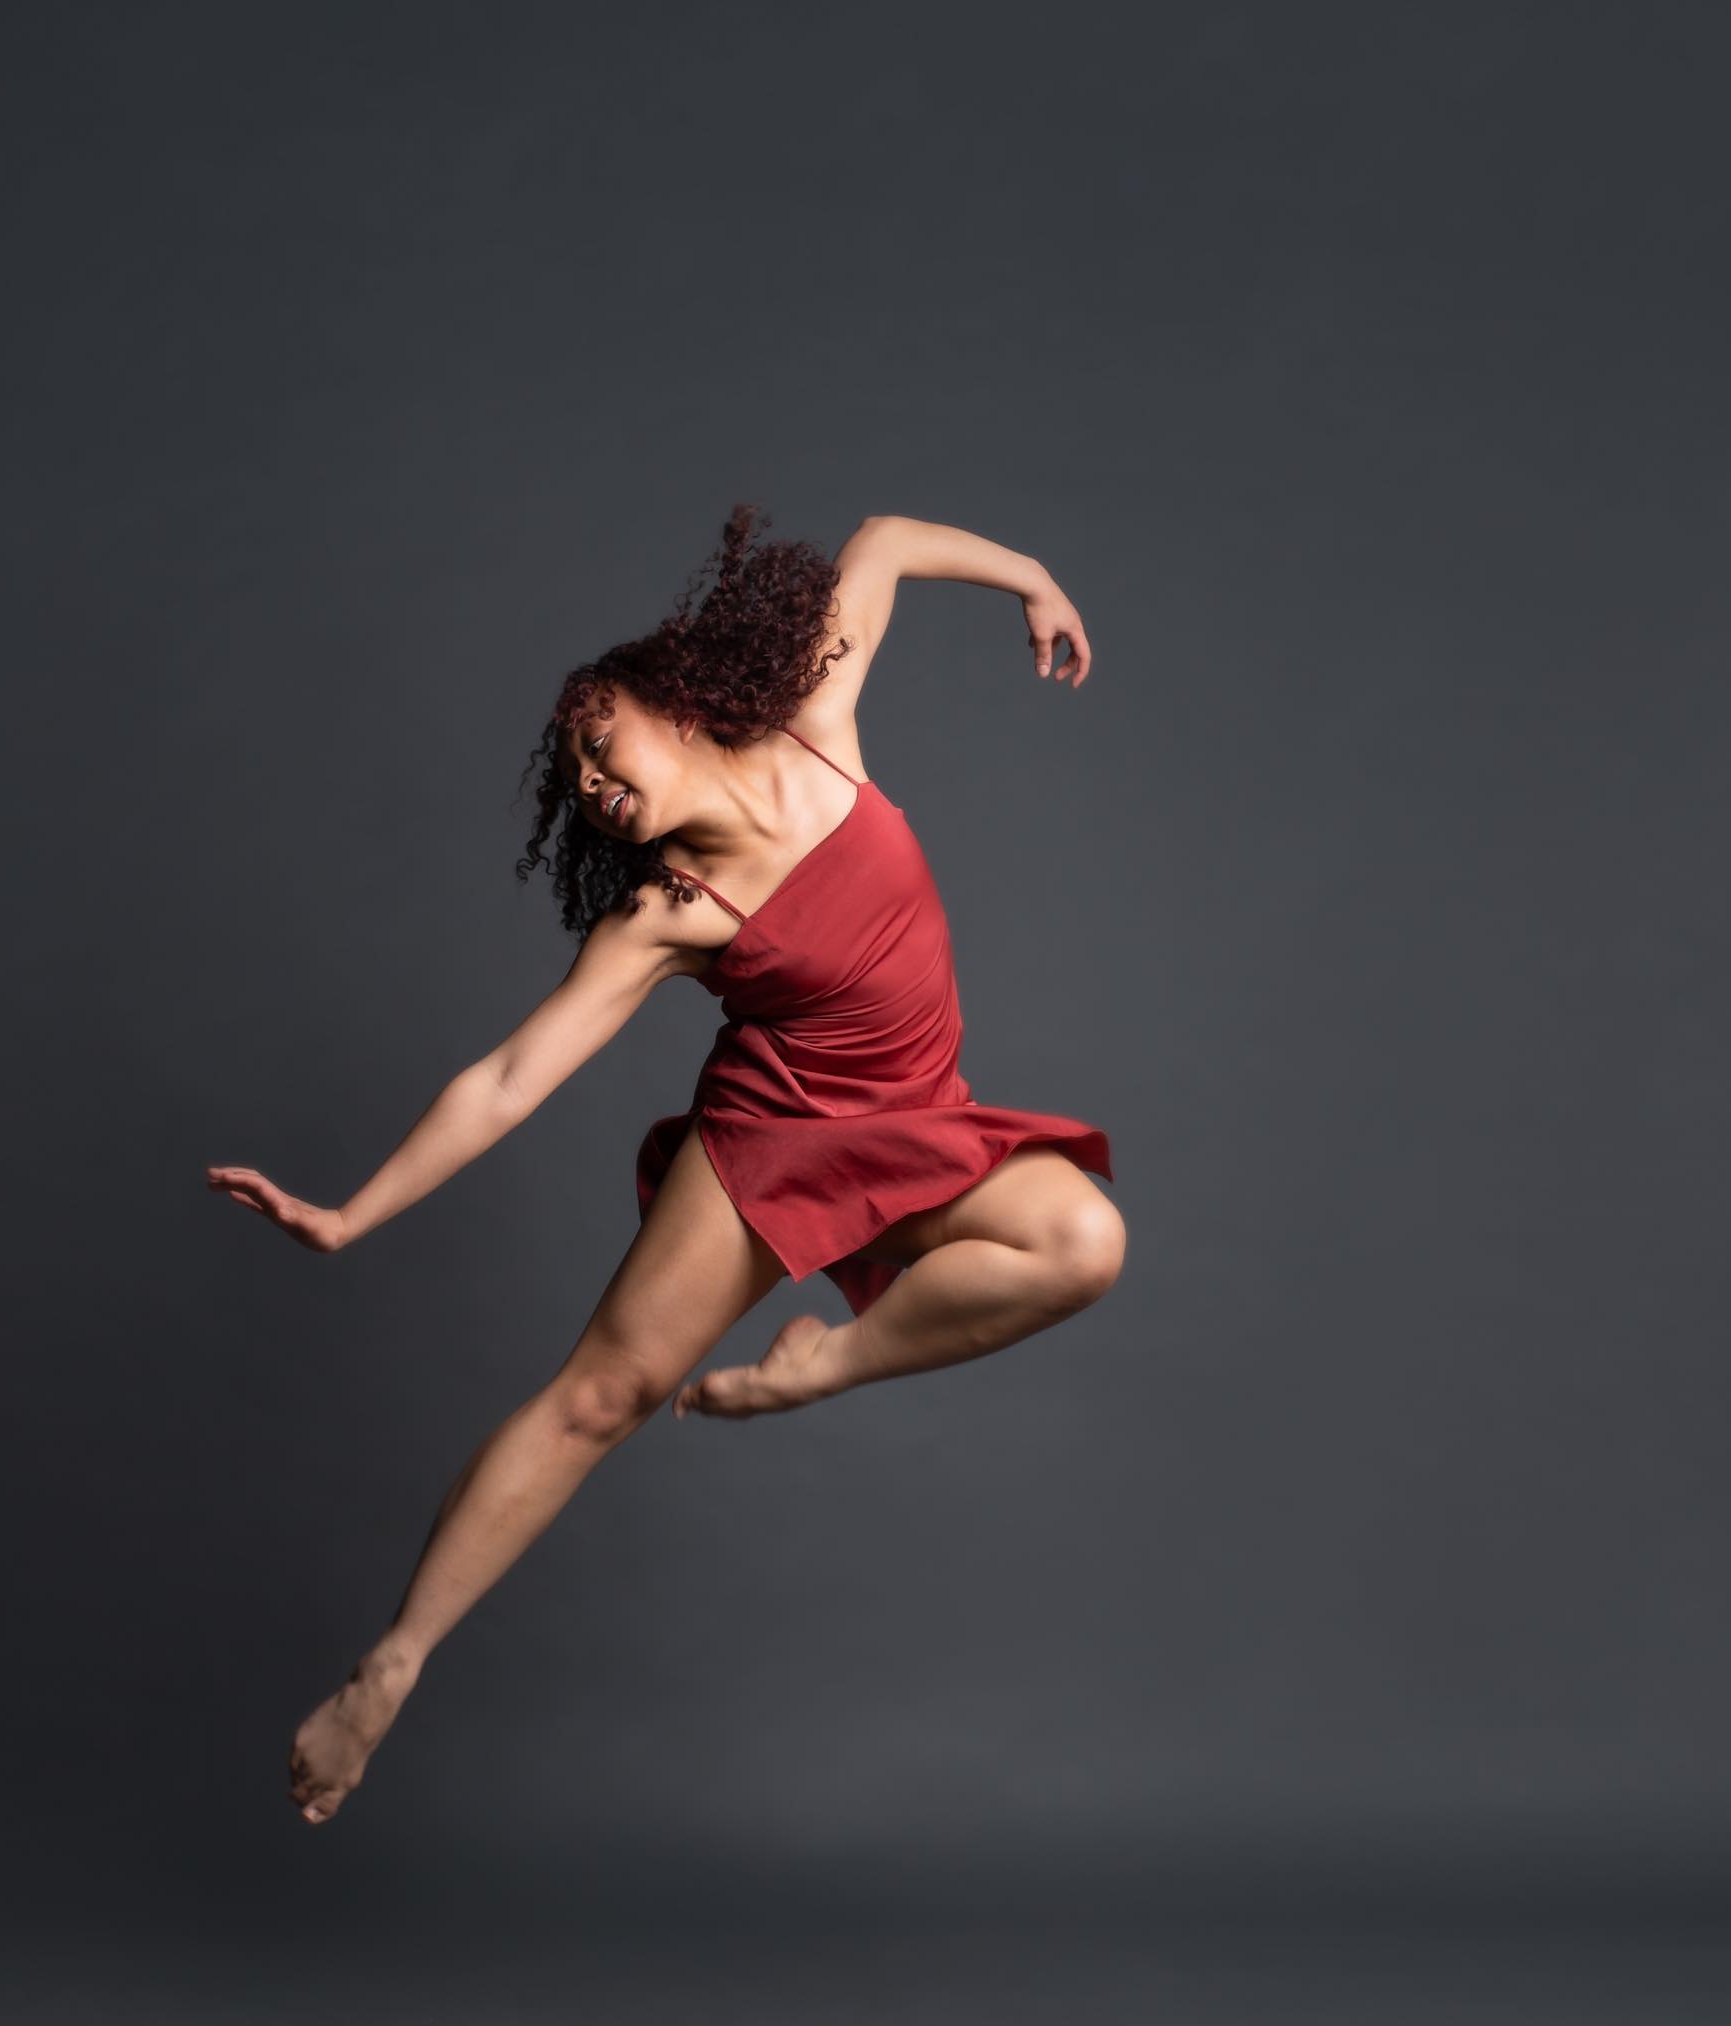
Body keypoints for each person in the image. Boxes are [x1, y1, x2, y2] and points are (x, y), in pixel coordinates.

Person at [206, 505, 1127, 1826]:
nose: (586, 781)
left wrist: (1031, 575)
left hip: (922, 1116)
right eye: (569, 777)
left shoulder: (817, 716)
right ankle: (393, 1661)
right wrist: (351, 1216)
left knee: (1083, 1242)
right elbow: (510, 1077)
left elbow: (874, 545)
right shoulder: (666, 912)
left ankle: (833, 1360)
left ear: (675, 701)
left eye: (598, 742)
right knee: (601, 1396)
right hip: (772, 1137)